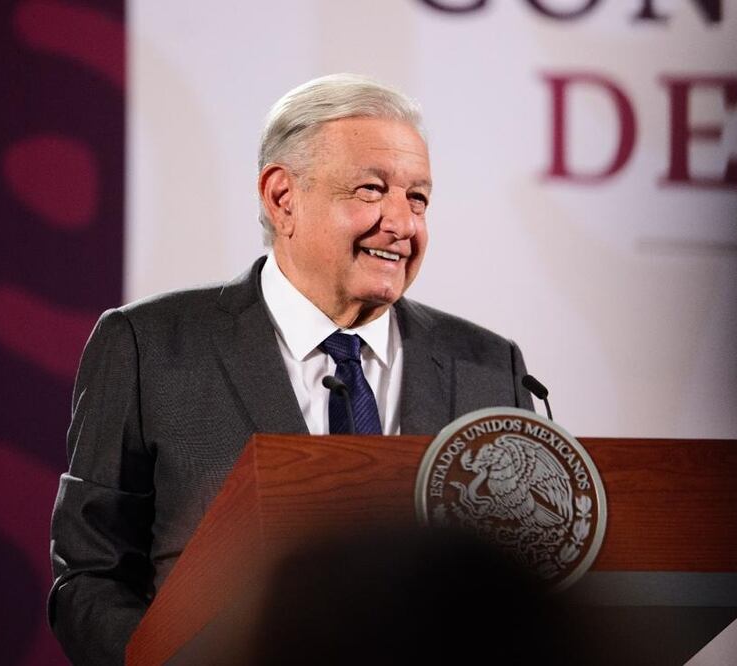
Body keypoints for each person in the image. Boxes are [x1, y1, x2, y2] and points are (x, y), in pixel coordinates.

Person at [47, 73, 535, 665]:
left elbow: (534, 583)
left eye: (418, 198)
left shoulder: (489, 368)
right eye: (371, 190)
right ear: (282, 198)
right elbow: (91, 574)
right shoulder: (149, 347)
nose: (403, 224)